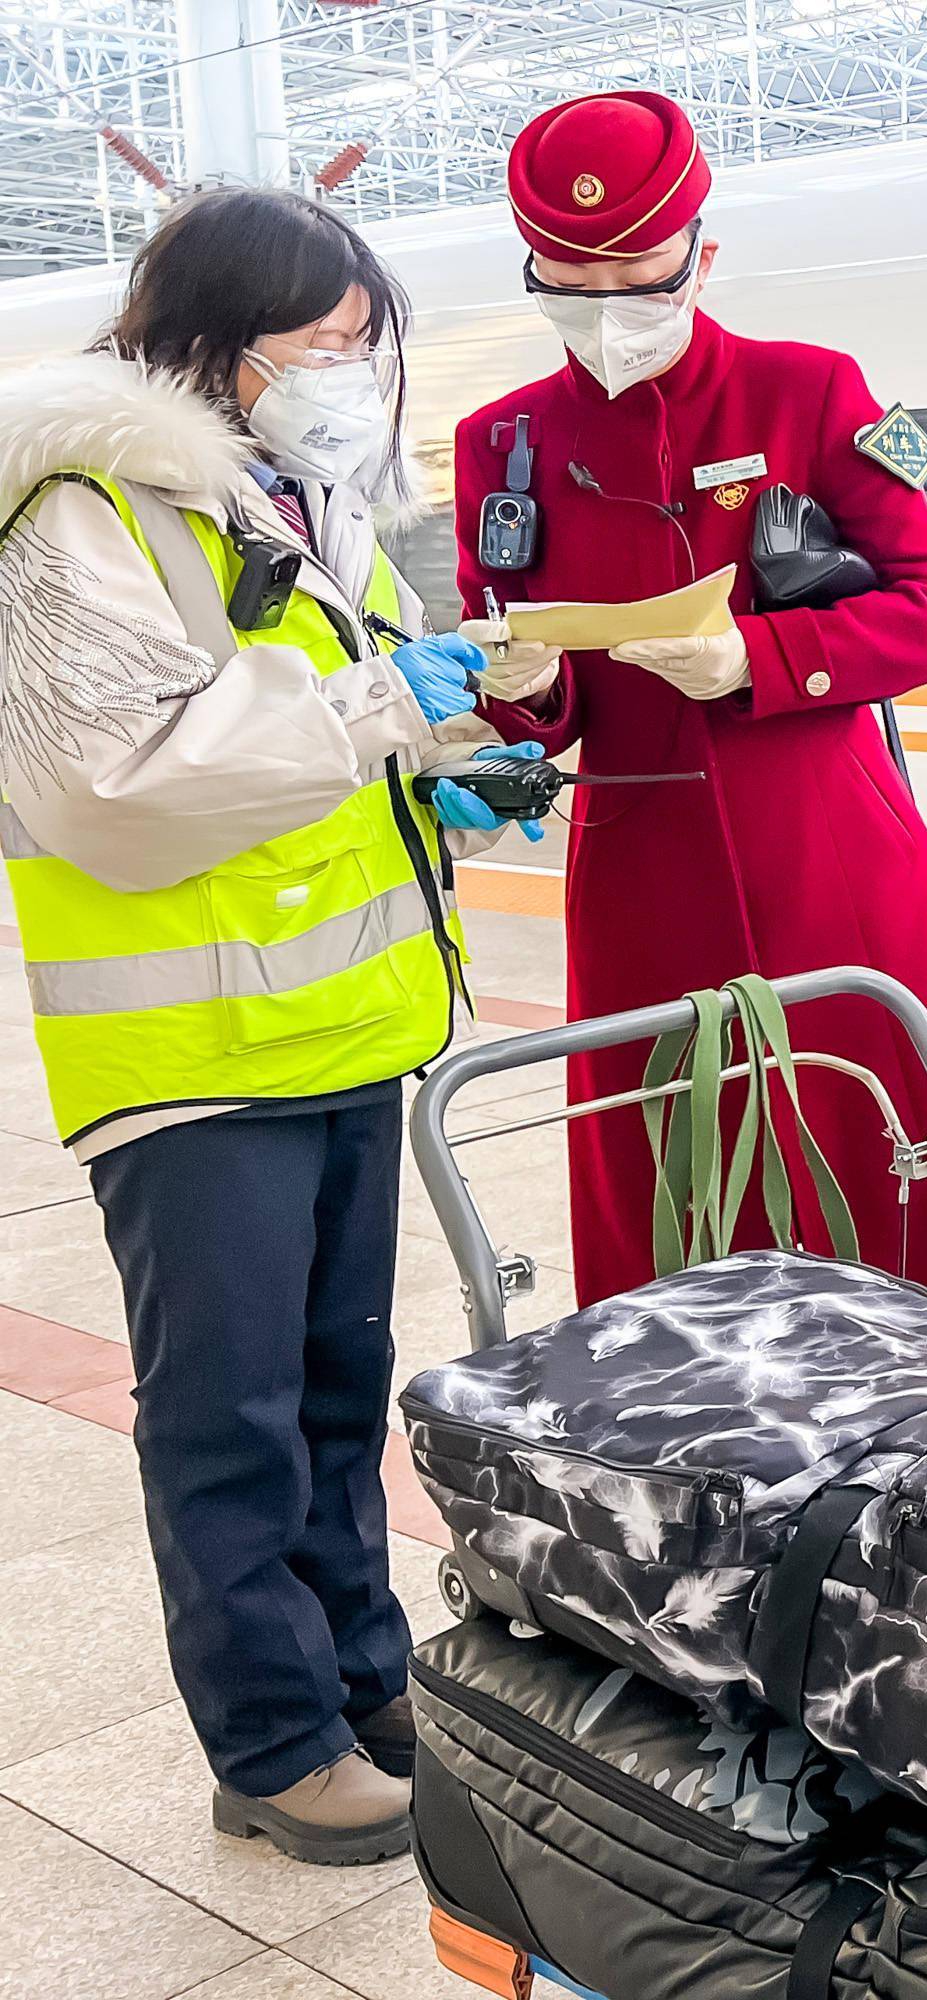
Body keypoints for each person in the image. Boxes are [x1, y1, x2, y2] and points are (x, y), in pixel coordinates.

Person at [0, 187, 525, 1864]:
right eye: (322, 344)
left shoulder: (288, 500)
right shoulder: (81, 511)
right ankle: (274, 1747)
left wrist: (439, 772)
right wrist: (378, 704)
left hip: (330, 1028)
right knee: (224, 1415)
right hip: (190, 1056)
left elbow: (305, 757)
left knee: (331, 1390)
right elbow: (116, 794)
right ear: (209, 340)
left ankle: (365, 1686)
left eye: (368, 347)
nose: (350, 376)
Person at [453, 90, 927, 1306]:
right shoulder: (500, 441)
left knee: (885, 1160)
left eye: (636, 276)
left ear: (700, 254)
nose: (606, 312)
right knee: (676, 1197)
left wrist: (763, 661)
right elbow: (542, 700)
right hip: (638, 868)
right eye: (572, 286)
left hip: (828, 849)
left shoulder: (810, 393)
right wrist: (518, 688)